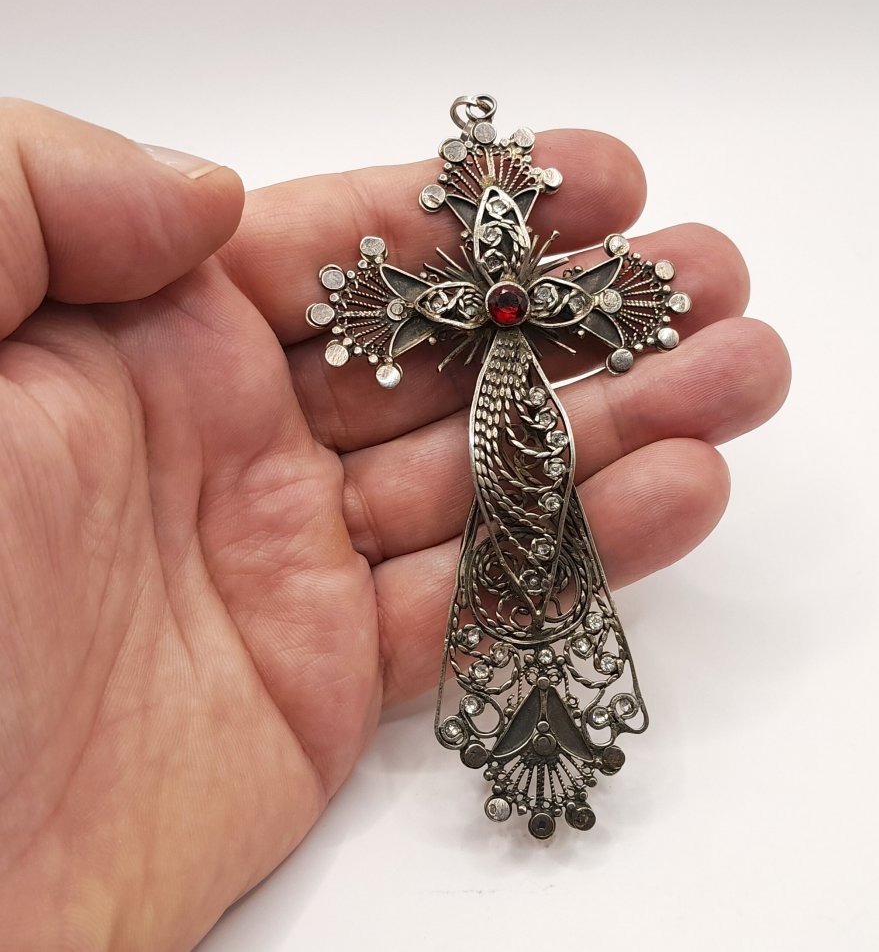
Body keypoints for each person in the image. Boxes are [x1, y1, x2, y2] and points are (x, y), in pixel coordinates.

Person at [0, 99, 790, 950]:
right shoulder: (454, 299)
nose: (499, 260)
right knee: (523, 532)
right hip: (500, 421)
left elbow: (626, 293)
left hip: (526, 419)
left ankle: (550, 711)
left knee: (551, 527)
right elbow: (377, 305)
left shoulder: (524, 295)